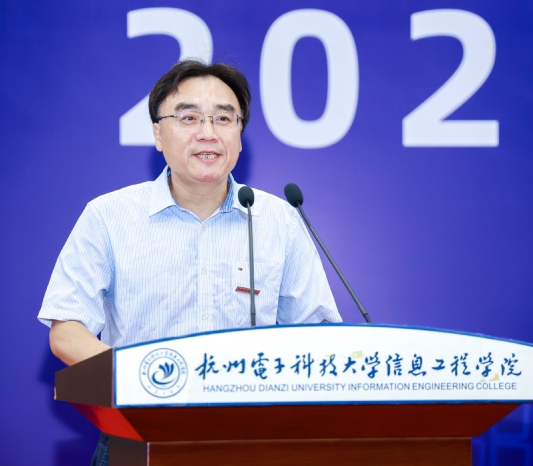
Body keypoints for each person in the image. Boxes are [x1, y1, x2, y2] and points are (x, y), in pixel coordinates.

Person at [37, 59, 341, 465]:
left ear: (240, 135)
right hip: (139, 438)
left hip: (252, 442)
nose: (207, 133)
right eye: (189, 117)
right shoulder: (108, 216)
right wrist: (146, 377)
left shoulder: (279, 221)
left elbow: (318, 337)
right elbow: (67, 332)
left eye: (224, 118)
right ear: (157, 134)